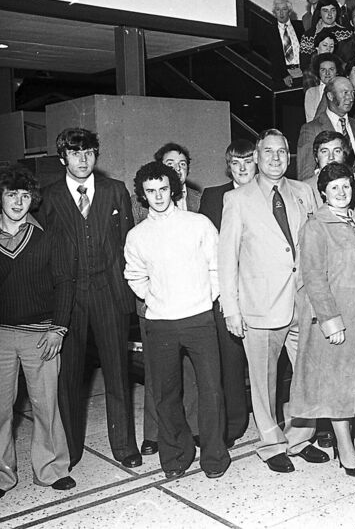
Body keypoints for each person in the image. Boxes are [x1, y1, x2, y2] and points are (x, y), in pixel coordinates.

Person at [218, 129, 329, 473]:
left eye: (282, 152)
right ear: (256, 156)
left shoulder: (304, 191)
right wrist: (231, 309)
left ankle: (299, 437)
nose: (277, 158)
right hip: (260, 306)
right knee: (264, 383)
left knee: (309, 376)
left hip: (303, 302)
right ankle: (271, 444)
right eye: (269, 152)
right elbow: (226, 259)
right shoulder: (237, 200)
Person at [0, 166, 75, 503]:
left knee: (46, 405)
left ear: (33, 200)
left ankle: (53, 469)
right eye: (12, 194)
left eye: (25, 195)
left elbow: (64, 283)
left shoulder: (48, 238)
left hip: (41, 335)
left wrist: (59, 328)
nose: (18, 201)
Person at [38, 128, 140, 470]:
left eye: (89, 153)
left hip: (109, 294)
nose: (83, 160)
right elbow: (44, 251)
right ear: (62, 157)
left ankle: (124, 446)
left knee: (117, 372)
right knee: (69, 378)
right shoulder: (49, 197)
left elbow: (128, 243)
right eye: (75, 153)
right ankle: (70, 450)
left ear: (96, 155)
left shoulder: (115, 191)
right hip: (68, 297)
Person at [124, 161, 230, 480]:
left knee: (211, 390)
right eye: (150, 191)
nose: (158, 196)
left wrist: (205, 297)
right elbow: (134, 275)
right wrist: (156, 299)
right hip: (161, 324)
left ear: (173, 189)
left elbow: (217, 267)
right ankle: (175, 456)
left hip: (199, 319)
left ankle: (214, 457)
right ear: (143, 195)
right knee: (166, 394)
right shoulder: (137, 235)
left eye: (163, 189)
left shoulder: (198, 224)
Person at [291, 162, 355, 478]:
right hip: (335, 315)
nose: (342, 192)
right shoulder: (316, 224)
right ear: (323, 193)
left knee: (349, 383)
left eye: (346, 186)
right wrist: (331, 320)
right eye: (334, 188)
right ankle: (346, 451)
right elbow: (313, 277)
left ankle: (341, 443)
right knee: (336, 387)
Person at [132, 142, 202, 457]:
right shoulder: (142, 206)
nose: (176, 167)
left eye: (182, 162)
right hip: (155, 302)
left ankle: (195, 427)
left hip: (195, 302)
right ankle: (155, 432)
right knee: (157, 370)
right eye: (169, 162)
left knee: (193, 368)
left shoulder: (203, 200)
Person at [198, 139, 256, 446]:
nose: (243, 167)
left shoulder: (268, 192)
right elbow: (208, 249)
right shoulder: (213, 196)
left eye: (248, 160)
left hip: (262, 289)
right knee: (230, 360)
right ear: (228, 165)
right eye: (236, 162)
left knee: (264, 361)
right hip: (228, 291)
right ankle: (235, 422)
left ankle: (269, 417)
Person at [297, 76, 355, 181]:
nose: (350, 98)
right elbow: (305, 176)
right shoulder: (311, 129)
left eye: (352, 93)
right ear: (330, 96)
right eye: (345, 93)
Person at [264, 0, 304, 88]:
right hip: (283, 74)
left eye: (284, 9)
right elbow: (273, 56)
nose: (281, 13)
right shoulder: (269, 30)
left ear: (289, 11)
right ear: (274, 13)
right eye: (278, 10)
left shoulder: (300, 26)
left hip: (302, 72)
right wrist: (284, 75)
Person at [304, 52, 342, 123]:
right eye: (323, 70)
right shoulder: (311, 92)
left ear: (337, 71)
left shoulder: (344, 89)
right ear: (318, 72)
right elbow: (311, 122)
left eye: (331, 69)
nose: (327, 73)